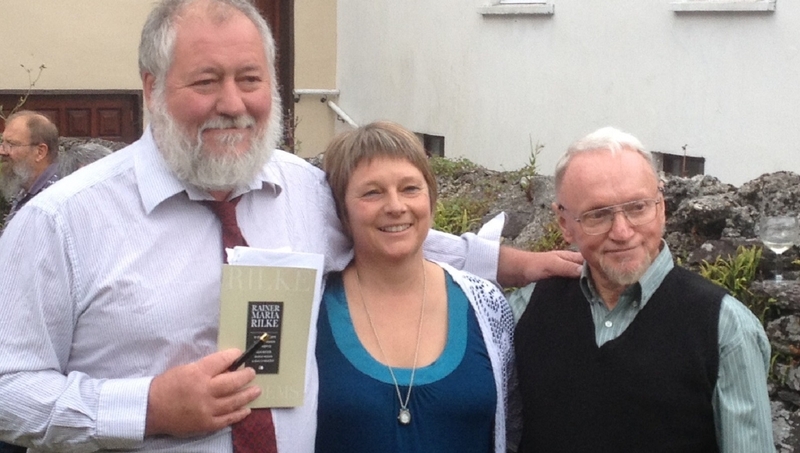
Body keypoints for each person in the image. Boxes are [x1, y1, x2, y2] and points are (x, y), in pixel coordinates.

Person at [0, 0, 580, 451]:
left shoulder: (302, 189)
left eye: (250, 79)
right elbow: (8, 390)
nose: (234, 102)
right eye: (206, 81)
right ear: (151, 87)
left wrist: (525, 264)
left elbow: (394, 236)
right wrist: (145, 407)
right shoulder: (59, 223)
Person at [510, 127, 773, 452]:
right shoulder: (525, 308)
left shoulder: (724, 329)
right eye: (598, 214)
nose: (622, 232)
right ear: (564, 224)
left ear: (661, 208)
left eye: (638, 208)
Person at [316, 122, 517, 452]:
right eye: (372, 192)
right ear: (342, 210)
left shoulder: (485, 305)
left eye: (410, 188)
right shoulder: (312, 307)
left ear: (431, 199)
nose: (396, 206)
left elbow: (513, 426)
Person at [0, 110, 60, 230]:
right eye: (3, 143)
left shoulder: (52, 202)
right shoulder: (26, 189)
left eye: (11, 144)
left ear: (40, 152)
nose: (2, 151)